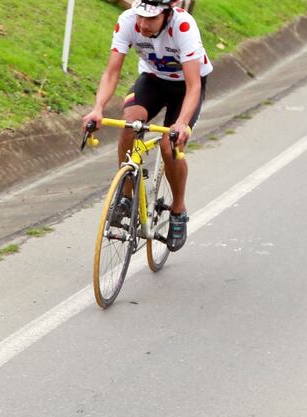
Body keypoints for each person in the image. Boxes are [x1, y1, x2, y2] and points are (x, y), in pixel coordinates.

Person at [82, 0, 213, 251]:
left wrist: (182, 124)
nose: (142, 24)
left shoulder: (183, 26)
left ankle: (178, 210)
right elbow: (112, 72)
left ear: (166, 14)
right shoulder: (128, 20)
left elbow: (194, 85)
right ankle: (127, 198)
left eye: (150, 19)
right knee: (129, 126)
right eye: (140, 16)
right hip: (152, 81)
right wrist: (98, 108)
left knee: (168, 145)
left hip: (185, 88)